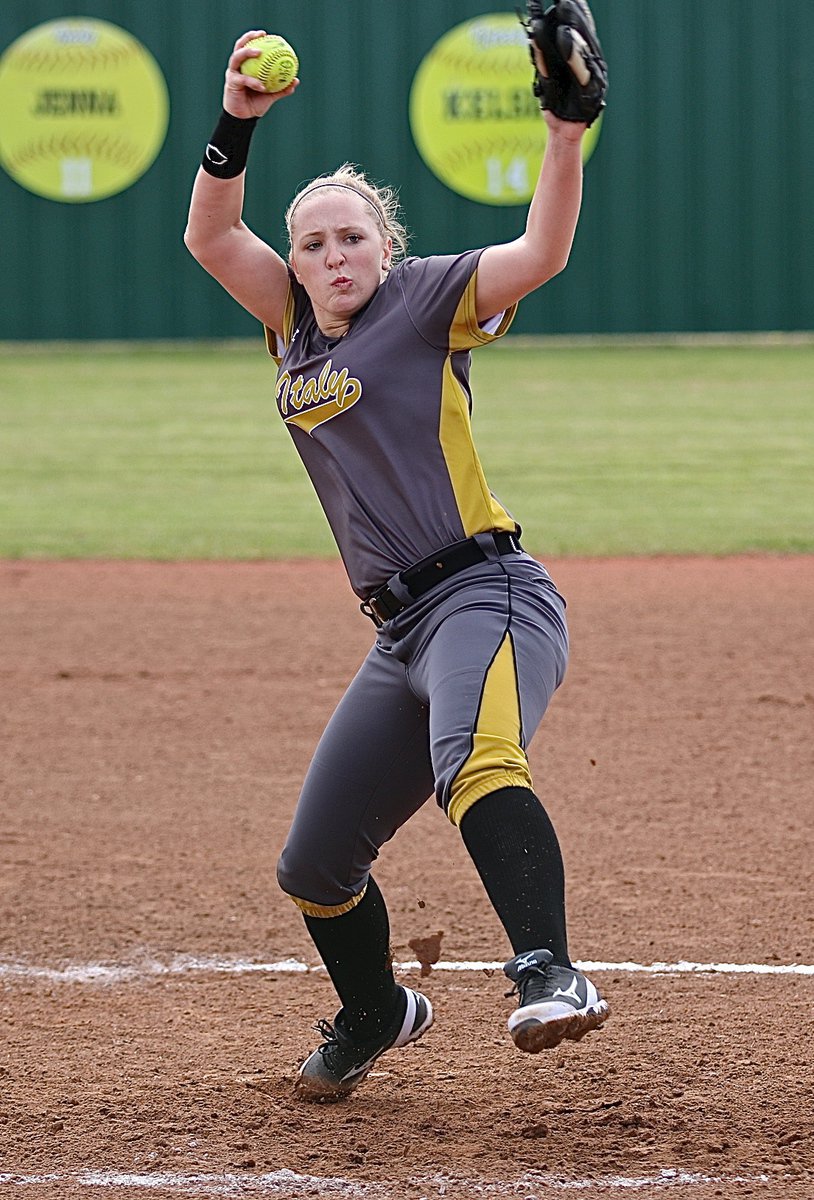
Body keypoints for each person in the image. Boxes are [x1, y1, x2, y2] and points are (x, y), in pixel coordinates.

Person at [185, 9, 609, 1103]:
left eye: (352, 237)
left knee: (475, 759)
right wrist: (236, 119)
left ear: (389, 247)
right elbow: (211, 238)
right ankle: (378, 1011)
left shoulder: (425, 302)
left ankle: (550, 971)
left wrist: (563, 137)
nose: (333, 255)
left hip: (487, 592)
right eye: (314, 241)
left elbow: (542, 254)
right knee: (314, 864)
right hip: (397, 630)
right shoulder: (288, 326)